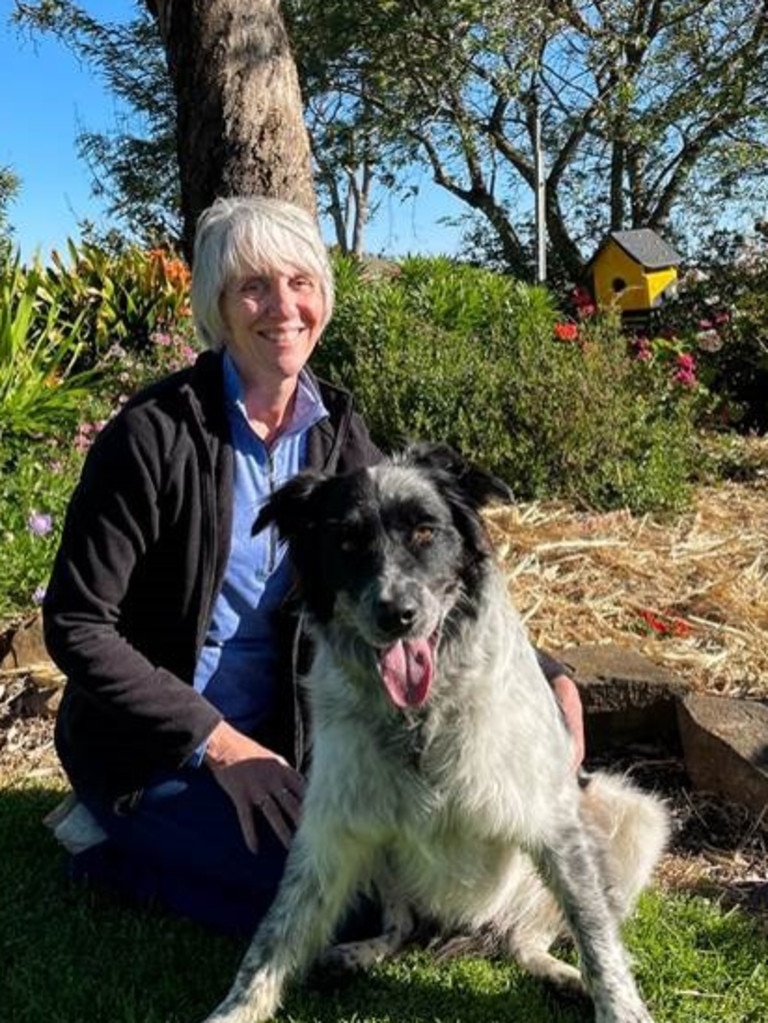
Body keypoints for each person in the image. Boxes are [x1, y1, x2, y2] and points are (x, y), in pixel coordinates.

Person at [43, 195, 584, 937]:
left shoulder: (336, 431)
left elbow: (427, 563)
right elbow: (75, 624)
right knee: (355, 911)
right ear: (220, 306)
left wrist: (550, 670)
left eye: (301, 281)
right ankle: (112, 851)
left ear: (324, 297)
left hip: (281, 733)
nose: (283, 307)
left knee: (413, 887)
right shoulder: (151, 437)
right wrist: (222, 746)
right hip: (156, 747)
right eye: (254, 286)